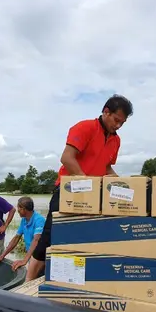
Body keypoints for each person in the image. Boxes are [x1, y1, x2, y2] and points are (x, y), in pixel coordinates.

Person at [30, 94, 133, 271]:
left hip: (92, 196)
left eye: (122, 123)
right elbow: (67, 158)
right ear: (106, 112)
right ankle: (28, 279)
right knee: (49, 236)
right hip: (68, 190)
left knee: (80, 238)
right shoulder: (85, 127)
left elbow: (106, 166)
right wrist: (88, 184)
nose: (118, 126)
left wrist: (121, 184)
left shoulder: (116, 140)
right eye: (116, 120)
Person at [0, 196, 47, 280]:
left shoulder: (39, 220)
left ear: (24, 209)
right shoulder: (24, 220)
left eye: (18, 207)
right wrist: (2, 256)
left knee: (36, 280)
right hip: (32, 256)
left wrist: (24, 260)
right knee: (31, 280)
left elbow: (36, 240)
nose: (17, 210)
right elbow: (16, 238)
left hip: (40, 258)